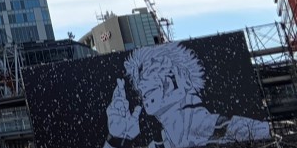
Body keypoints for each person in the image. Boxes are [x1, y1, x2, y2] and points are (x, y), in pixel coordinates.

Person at [103, 42, 270, 147]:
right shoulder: (158, 144)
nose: (142, 86)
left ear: (180, 79)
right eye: (140, 79)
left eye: (153, 71)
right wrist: (115, 139)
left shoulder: (234, 129)